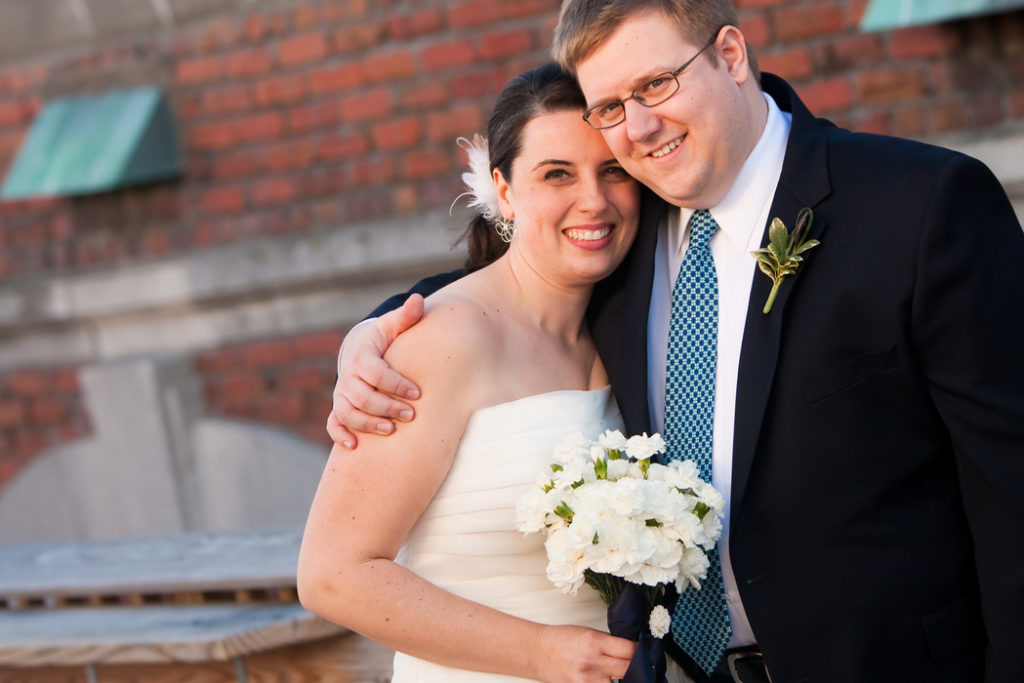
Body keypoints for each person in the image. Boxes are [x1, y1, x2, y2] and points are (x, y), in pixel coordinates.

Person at [326, 2, 1024, 682]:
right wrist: (376, 331)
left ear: (730, 54)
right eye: (611, 107)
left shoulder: (920, 206)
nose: (639, 126)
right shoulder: (625, 225)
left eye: (657, 83)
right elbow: (510, 285)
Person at [297, 63, 646, 682]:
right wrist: (542, 654)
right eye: (557, 174)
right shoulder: (444, 338)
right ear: (504, 190)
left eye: (612, 169)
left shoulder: (626, 324)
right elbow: (333, 575)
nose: (593, 199)